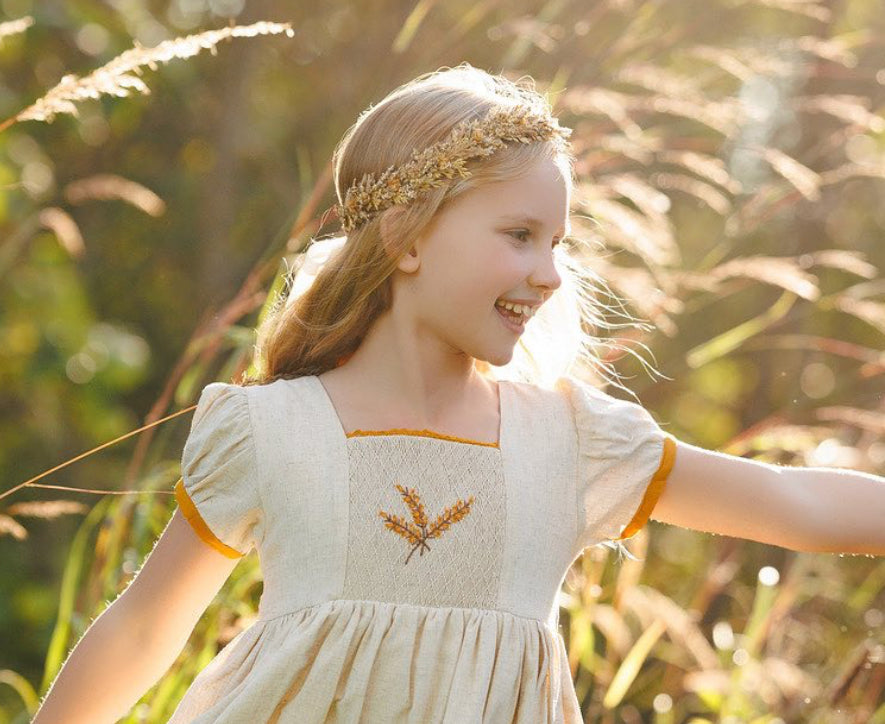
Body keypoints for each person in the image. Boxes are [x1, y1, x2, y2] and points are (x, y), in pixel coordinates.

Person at [32, 62, 884, 724]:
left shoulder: (571, 441)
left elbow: (791, 499)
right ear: (404, 236)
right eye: (518, 235)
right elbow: (145, 628)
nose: (549, 274)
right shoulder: (271, 428)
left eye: (556, 241)